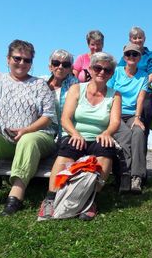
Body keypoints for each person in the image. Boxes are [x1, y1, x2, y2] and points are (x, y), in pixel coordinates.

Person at [0, 40, 57, 216]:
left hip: (39, 136)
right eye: (17, 58)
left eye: (27, 60)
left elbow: (48, 117)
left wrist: (26, 130)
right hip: (7, 140)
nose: (22, 63)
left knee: (28, 140)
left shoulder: (39, 85)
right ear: (8, 59)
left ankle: (16, 195)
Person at [39, 52, 121, 220]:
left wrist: (107, 133)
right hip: (77, 134)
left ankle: (91, 199)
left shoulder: (115, 95)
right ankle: (50, 198)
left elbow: (115, 122)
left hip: (99, 136)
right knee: (68, 149)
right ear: (90, 69)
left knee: (106, 150)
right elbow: (65, 118)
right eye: (98, 68)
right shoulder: (76, 89)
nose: (102, 73)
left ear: (111, 74)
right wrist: (75, 133)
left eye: (107, 70)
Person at [109, 43, 150, 193]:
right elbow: (109, 93)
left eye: (135, 54)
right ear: (124, 57)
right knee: (125, 134)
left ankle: (136, 177)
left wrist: (138, 117)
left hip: (133, 113)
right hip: (115, 112)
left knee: (139, 132)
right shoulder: (116, 72)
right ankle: (124, 175)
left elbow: (140, 98)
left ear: (139, 57)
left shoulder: (143, 76)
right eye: (128, 54)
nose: (131, 57)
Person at [117, 26, 152, 128]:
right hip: (126, 89)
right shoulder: (126, 55)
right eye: (134, 38)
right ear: (130, 39)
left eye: (140, 37)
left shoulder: (151, 55)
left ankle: (144, 131)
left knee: (146, 105)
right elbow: (119, 71)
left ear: (144, 38)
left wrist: (140, 86)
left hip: (144, 88)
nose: (137, 40)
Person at [45, 49, 79, 135]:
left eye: (65, 65)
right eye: (56, 63)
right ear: (50, 67)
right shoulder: (42, 83)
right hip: (44, 130)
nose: (60, 67)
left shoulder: (75, 85)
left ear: (70, 68)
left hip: (65, 132)